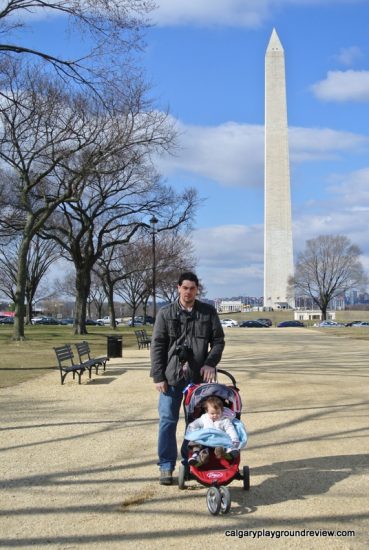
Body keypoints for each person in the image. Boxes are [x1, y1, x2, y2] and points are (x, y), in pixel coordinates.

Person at [150, 271, 225, 485]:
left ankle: (190, 462)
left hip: (196, 380)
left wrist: (210, 362)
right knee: (167, 421)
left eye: (192, 288)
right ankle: (166, 466)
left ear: (197, 290)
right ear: (178, 288)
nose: (188, 292)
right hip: (171, 378)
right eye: (185, 288)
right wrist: (158, 376)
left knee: (195, 423)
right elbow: (157, 347)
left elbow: (219, 341)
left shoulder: (208, 312)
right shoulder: (165, 313)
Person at [186, 396, 240, 466]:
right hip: (206, 441)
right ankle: (198, 456)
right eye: (212, 413)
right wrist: (192, 430)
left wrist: (234, 439)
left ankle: (226, 452)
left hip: (220, 440)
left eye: (218, 413)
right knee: (196, 442)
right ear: (207, 411)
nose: (215, 415)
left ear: (222, 411)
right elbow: (195, 424)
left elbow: (231, 430)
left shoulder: (225, 420)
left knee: (227, 442)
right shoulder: (204, 418)